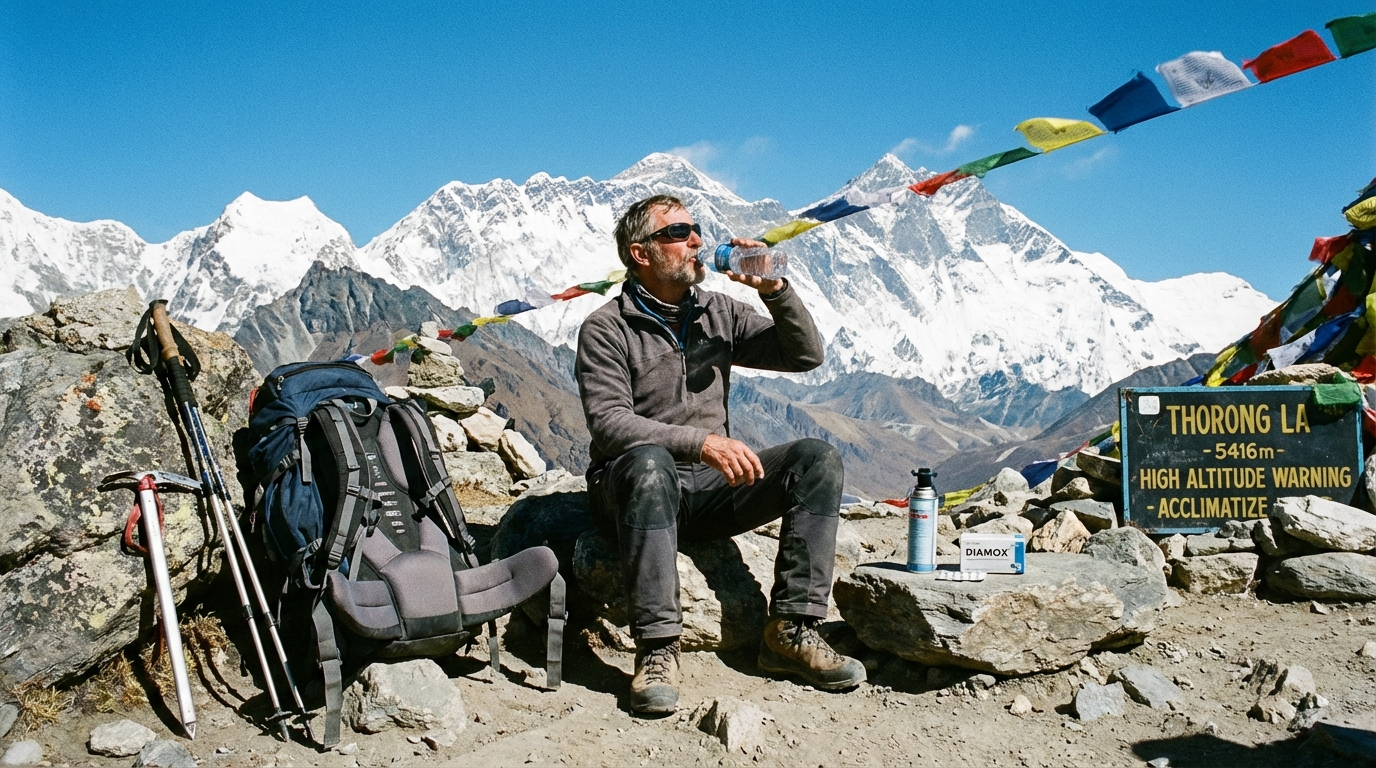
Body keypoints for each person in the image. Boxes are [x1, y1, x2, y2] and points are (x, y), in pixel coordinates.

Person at [575, 194, 865, 715]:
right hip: (633, 492)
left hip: (709, 493)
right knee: (647, 461)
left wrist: (776, 290)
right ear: (642, 254)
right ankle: (658, 648)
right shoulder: (606, 327)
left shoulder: (718, 311)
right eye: (679, 233)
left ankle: (791, 631)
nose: (696, 242)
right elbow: (609, 423)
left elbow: (803, 355)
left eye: (696, 229)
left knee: (817, 459)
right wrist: (701, 443)